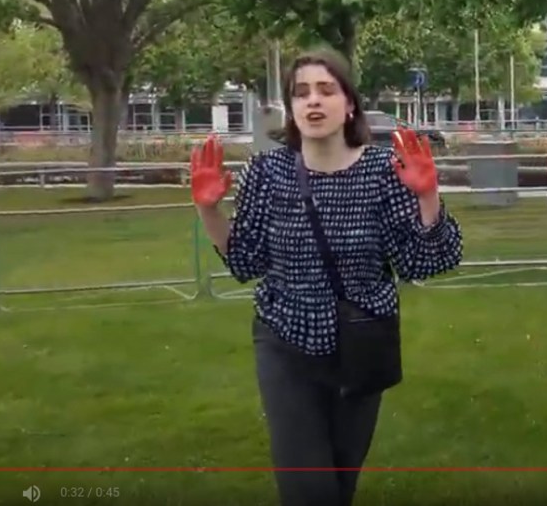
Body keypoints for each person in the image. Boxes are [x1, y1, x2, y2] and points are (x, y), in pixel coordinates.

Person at [188, 47, 464, 506]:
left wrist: (428, 198)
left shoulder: (380, 171)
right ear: (293, 109)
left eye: (325, 90)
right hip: (285, 342)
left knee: (340, 483)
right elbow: (245, 261)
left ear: (349, 103)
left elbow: (424, 262)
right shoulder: (269, 172)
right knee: (308, 488)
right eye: (301, 94)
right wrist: (209, 210)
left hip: (361, 343)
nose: (313, 102)